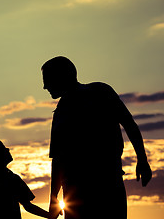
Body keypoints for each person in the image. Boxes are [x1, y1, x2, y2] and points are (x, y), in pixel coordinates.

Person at [41, 56, 152, 219]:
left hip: (107, 184)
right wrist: (53, 197)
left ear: (66, 75)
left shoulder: (100, 91)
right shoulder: (60, 112)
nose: (45, 87)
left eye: (48, 80)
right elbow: (58, 159)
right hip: (76, 191)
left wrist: (142, 160)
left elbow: (129, 124)